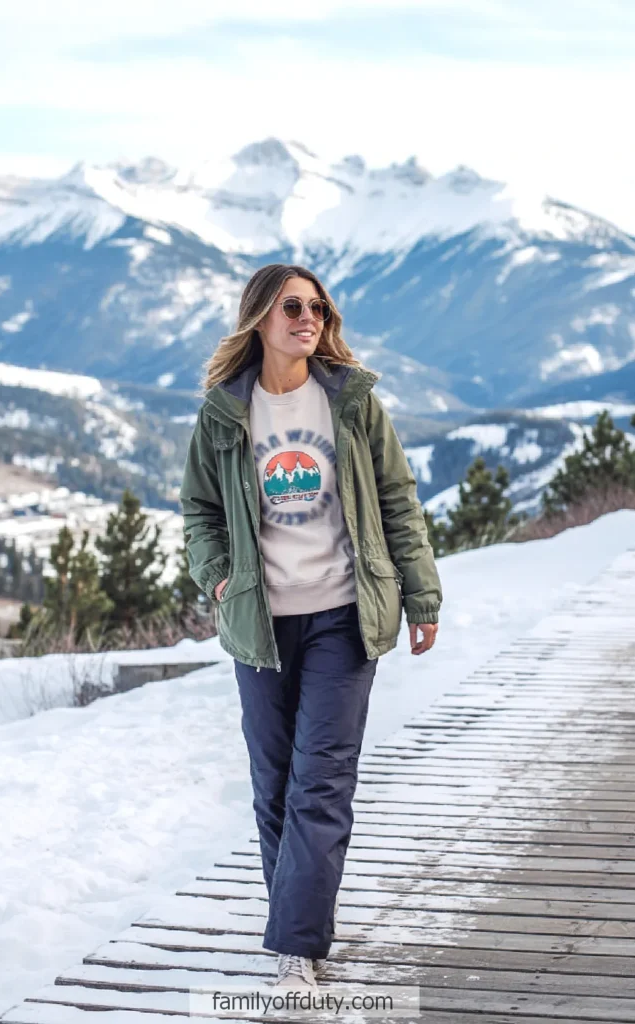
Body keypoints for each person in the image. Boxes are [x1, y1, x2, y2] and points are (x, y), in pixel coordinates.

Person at [180, 263, 442, 991]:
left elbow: (398, 502)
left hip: (342, 615)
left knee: (319, 784)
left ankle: (297, 947)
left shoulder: (351, 404)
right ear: (259, 317)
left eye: (319, 308)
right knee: (274, 785)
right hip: (259, 623)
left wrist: (420, 597)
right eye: (293, 306)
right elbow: (198, 511)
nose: (309, 318)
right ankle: (296, 924)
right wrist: (218, 575)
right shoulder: (224, 411)